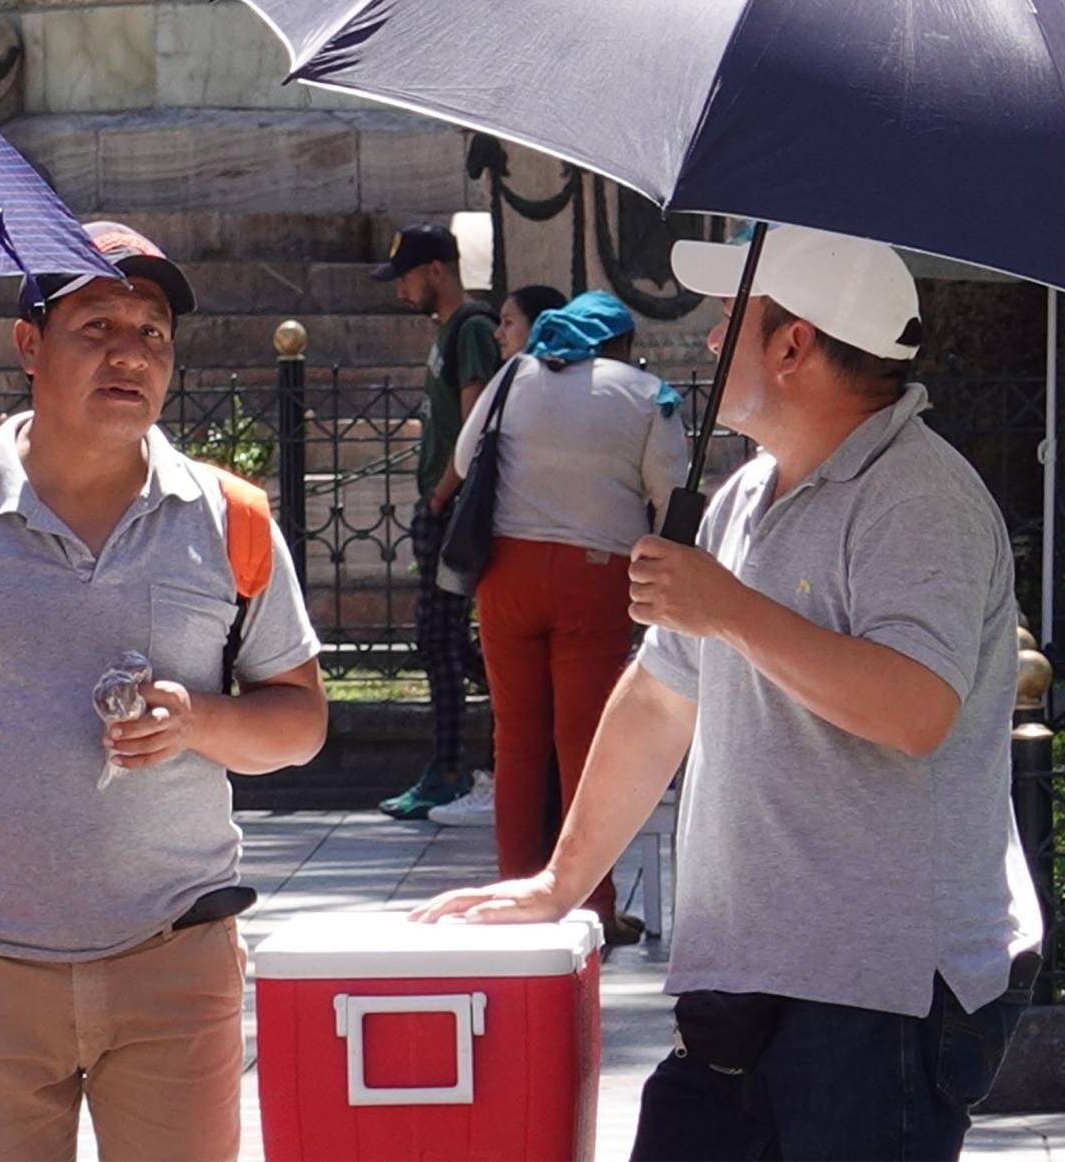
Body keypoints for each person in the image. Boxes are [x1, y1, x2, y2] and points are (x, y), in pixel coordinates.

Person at [415, 227, 1043, 1158]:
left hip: (877, 997)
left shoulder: (919, 496)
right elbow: (660, 698)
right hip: (747, 981)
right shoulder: (747, 493)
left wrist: (733, 610)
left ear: (794, 345)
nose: (710, 342)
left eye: (728, 321)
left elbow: (915, 711)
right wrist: (561, 881)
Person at [0, 220, 327, 1162]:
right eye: (97, 325)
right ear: (29, 344)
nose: (129, 354)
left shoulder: (232, 521)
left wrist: (201, 722)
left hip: (176, 958)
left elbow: (299, 723)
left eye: (152, 333)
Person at [440, 291, 687, 949]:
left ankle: (515, 891)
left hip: (507, 577)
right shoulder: (646, 393)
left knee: (517, 740)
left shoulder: (514, 373)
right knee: (587, 742)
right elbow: (669, 489)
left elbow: (466, 462)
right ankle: (594, 905)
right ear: (623, 342)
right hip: (595, 578)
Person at [423, 283, 569, 831]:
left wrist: (439, 498)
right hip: (592, 563)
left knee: (517, 711)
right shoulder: (610, 385)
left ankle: (513, 817)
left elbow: (466, 450)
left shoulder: (514, 381)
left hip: (513, 557)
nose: (499, 333)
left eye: (509, 323)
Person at [373, 224, 499, 820]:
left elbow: (475, 425)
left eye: (406, 277)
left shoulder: (471, 328)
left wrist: (441, 496)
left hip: (451, 507)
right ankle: (514, 710)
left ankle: (449, 769)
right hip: (441, 503)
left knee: (439, 637)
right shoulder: (447, 331)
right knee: (445, 640)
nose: (400, 292)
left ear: (437, 272)